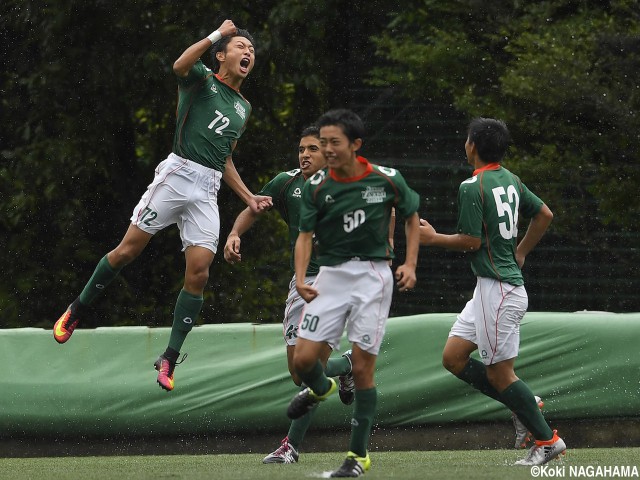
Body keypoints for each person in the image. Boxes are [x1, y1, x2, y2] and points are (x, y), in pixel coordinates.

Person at [53, 20, 272, 392]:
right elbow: (178, 65)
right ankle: (77, 308)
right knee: (127, 251)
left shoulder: (244, 107)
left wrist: (248, 196)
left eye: (251, 49)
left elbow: (224, 157)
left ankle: (169, 357)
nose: (248, 52)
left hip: (207, 188)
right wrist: (218, 33)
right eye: (240, 47)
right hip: (178, 175)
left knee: (200, 273)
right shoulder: (201, 79)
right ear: (221, 55)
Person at [419, 117, 565, 466]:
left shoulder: (472, 186)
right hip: (491, 288)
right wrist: (521, 251)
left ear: (472, 145)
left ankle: (547, 441)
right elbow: (544, 214)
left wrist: (432, 238)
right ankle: (525, 402)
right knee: (453, 357)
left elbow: (471, 241)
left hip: (499, 291)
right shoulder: (510, 179)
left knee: (500, 374)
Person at [286, 109, 420, 477]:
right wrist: (300, 277)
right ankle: (320, 388)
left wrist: (409, 263)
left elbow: (411, 216)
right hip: (329, 276)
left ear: (355, 145)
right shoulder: (316, 187)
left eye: (334, 142)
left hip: (372, 277)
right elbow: (303, 236)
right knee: (301, 361)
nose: (326, 149)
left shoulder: (386, 179)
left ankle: (357, 457)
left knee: (363, 369)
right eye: (322, 142)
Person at [223, 125, 356, 464]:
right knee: (299, 372)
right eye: (301, 149)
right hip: (302, 283)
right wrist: (234, 233)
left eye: (312, 149)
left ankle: (291, 446)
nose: (305, 155)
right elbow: (255, 206)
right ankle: (349, 367)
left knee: (310, 364)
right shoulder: (287, 183)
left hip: (335, 283)